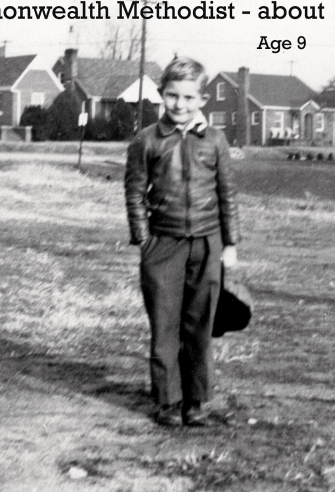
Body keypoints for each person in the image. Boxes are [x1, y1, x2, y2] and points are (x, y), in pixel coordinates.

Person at [124, 57, 240, 427]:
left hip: (207, 243)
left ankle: (195, 401)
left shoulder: (215, 140)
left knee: (199, 325)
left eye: (189, 97)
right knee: (164, 325)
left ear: (202, 100)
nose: (180, 104)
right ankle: (167, 401)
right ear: (161, 95)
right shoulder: (146, 140)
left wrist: (230, 243)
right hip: (163, 244)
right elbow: (134, 191)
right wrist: (143, 238)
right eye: (172, 95)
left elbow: (227, 194)